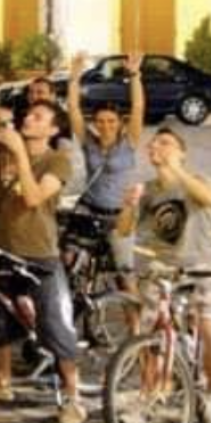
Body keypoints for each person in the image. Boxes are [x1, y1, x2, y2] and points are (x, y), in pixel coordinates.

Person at [0, 102, 85, 423]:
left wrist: (20, 154)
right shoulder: (0, 150)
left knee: (56, 325)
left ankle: (74, 398)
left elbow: (34, 198)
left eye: (38, 117)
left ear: (53, 130)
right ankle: (1, 383)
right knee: (1, 321)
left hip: (39, 254)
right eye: (28, 114)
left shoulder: (56, 160)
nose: (28, 118)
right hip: (2, 249)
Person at [119, 128, 211, 423]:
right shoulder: (148, 190)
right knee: (148, 336)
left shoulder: (199, 181)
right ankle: (150, 395)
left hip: (208, 268)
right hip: (166, 271)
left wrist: (177, 170)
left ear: (182, 152)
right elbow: (123, 230)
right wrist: (129, 205)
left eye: (165, 142)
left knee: (209, 331)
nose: (156, 146)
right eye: (153, 143)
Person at [66, 52, 145, 297]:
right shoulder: (89, 141)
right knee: (68, 259)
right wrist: (74, 77)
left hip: (118, 214)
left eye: (111, 121)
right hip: (88, 208)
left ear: (121, 123)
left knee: (124, 272)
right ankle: (74, 305)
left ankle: (135, 328)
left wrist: (133, 75)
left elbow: (139, 106)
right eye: (100, 121)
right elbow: (73, 108)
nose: (105, 126)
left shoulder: (129, 142)